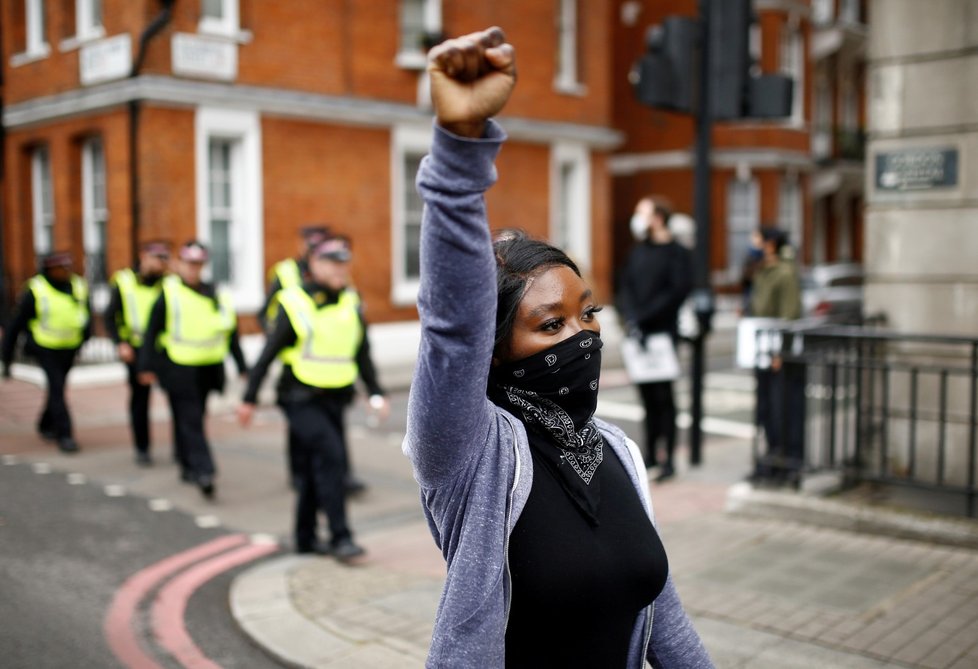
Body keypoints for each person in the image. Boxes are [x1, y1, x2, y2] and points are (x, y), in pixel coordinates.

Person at [402, 27, 713, 667]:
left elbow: (664, 621)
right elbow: (452, 328)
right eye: (551, 325)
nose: (584, 336)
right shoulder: (469, 454)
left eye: (588, 313)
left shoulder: (617, 453)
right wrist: (459, 152)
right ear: (495, 350)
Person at [237, 234, 389, 560]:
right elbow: (268, 353)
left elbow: (362, 353)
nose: (339, 270)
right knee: (333, 460)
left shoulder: (350, 300)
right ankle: (340, 537)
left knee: (310, 468)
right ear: (314, 265)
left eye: (343, 263)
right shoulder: (295, 303)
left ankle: (304, 538)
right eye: (331, 263)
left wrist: (375, 392)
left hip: (335, 398)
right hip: (299, 398)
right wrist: (248, 399)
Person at [137, 241, 247, 498]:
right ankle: (204, 470)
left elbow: (231, 333)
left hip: (209, 367)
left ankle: (187, 464)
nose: (193, 269)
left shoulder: (217, 294)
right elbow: (151, 331)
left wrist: (242, 366)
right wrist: (145, 366)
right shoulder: (169, 292)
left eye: (198, 264)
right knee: (191, 419)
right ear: (180, 264)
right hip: (178, 367)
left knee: (191, 418)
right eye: (189, 263)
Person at [616, 195, 693, 482]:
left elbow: (676, 292)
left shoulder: (677, 253)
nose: (637, 217)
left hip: (662, 334)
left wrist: (644, 316)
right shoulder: (637, 251)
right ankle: (649, 456)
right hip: (638, 335)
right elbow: (624, 286)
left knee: (665, 397)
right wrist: (629, 318)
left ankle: (669, 458)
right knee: (646, 397)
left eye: (642, 212)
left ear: (658, 217)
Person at [1, 251, 92, 454]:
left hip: (69, 347)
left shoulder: (78, 285)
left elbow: (86, 315)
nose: (66, 271)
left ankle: (44, 424)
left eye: (68, 267)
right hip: (45, 348)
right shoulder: (36, 290)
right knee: (58, 388)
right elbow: (15, 325)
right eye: (61, 268)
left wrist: (85, 340)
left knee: (56, 388)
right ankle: (65, 435)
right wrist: (7, 359)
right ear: (50, 270)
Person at [103, 240, 170, 466]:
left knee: (179, 398)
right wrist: (120, 343)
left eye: (164, 258)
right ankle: (143, 448)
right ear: (143, 256)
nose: (160, 263)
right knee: (140, 399)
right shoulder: (123, 282)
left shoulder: (169, 283)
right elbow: (110, 316)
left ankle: (184, 449)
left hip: (164, 348)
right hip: (136, 348)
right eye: (156, 257)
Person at [749, 226, 804, 485]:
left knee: (783, 409)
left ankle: (788, 462)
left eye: (757, 237)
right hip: (761, 349)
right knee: (766, 409)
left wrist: (780, 351)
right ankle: (772, 459)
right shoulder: (763, 270)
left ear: (770, 243)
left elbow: (789, 313)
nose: (753, 242)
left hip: (777, 351)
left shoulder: (784, 272)